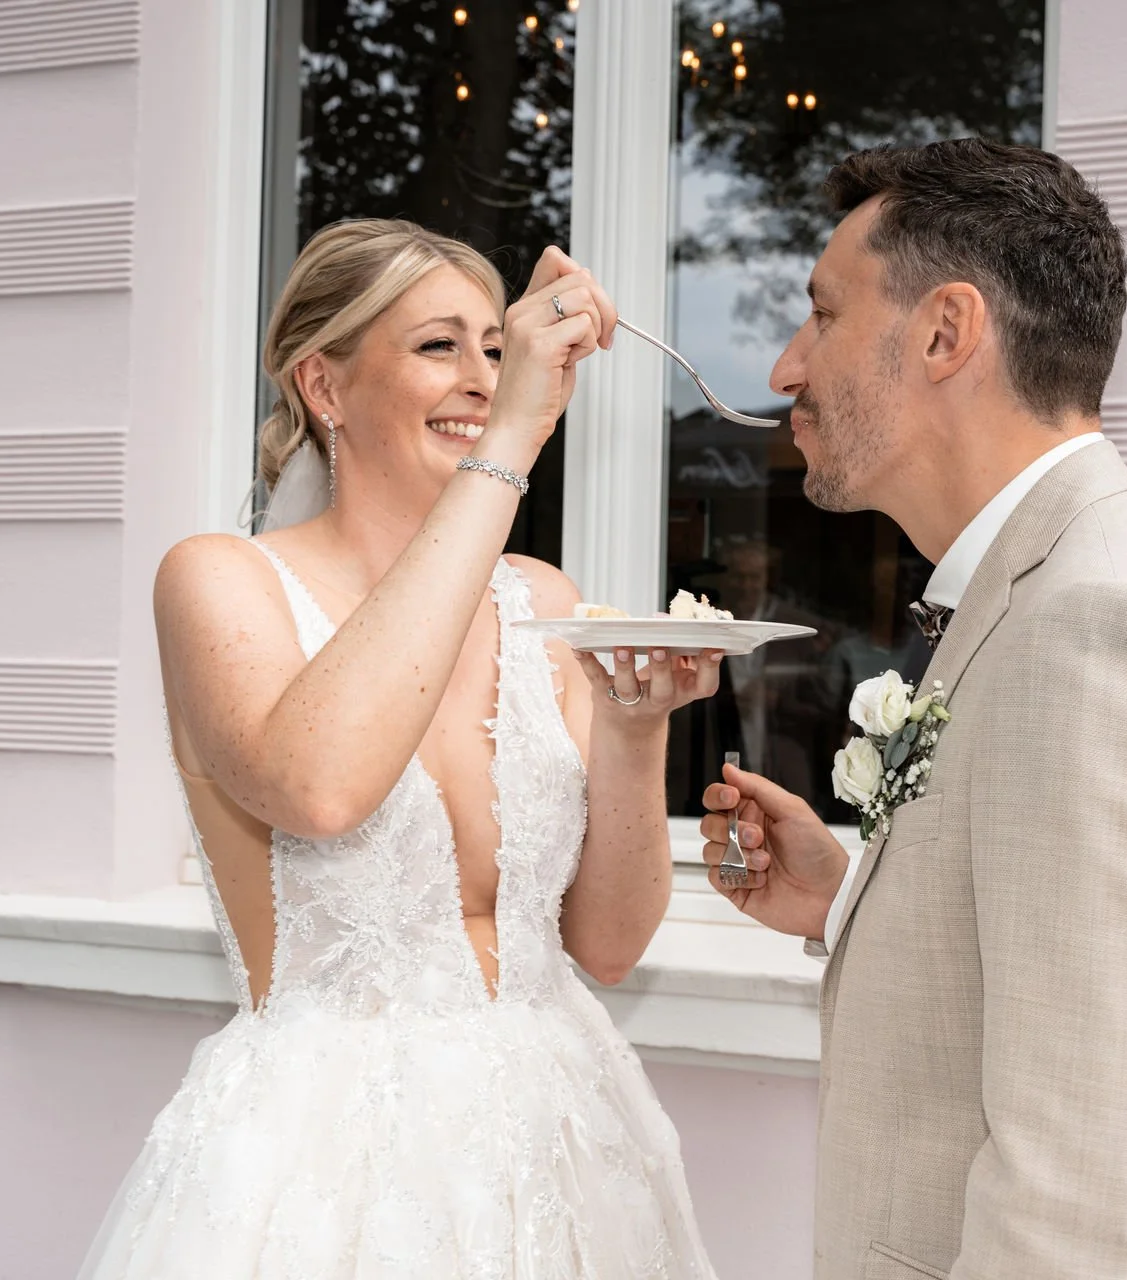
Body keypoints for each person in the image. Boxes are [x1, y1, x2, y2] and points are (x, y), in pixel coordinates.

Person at [701, 140, 1127, 1278]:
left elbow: (1084, 1193)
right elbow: (1062, 984)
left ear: (946, 332)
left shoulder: (1099, 631)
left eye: (824, 315)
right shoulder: (1096, 584)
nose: (787, 367)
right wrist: (850, 907)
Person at [81, 219, 722, 1278]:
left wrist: (634, 725)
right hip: (330, 1170)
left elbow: (606, 943)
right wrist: (509, 439)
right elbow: (321, 787)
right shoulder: (219, 581)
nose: (481, 378)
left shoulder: (544, 602)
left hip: (564, 1144)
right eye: (439, 346)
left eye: (494, 346)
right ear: (324, 385)